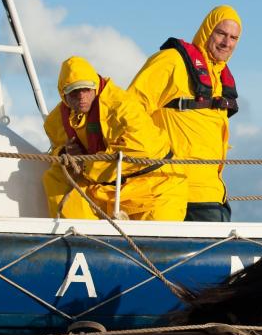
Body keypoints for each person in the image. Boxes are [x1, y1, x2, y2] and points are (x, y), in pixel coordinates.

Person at [128, 5, 241, 222]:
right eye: (221, 34)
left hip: (211, 195)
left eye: (233, 38)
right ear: (207, 30)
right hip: (167, 190)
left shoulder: (221, 81)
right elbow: (130, 108)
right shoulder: (172, 61)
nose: (227, 43)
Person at [42, 56, 186, 220]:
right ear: (63, 95)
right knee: (55, 176)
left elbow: (141, 150)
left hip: (156, 186)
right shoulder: (56, 122)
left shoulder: (121, 107)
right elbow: (54, 150)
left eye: (86, 89)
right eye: (74, 92)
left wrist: (86, 164)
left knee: (154, 243)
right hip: (108, 191)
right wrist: (63, 153)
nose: (81, 96)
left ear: (95, 87)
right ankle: (82, 239)